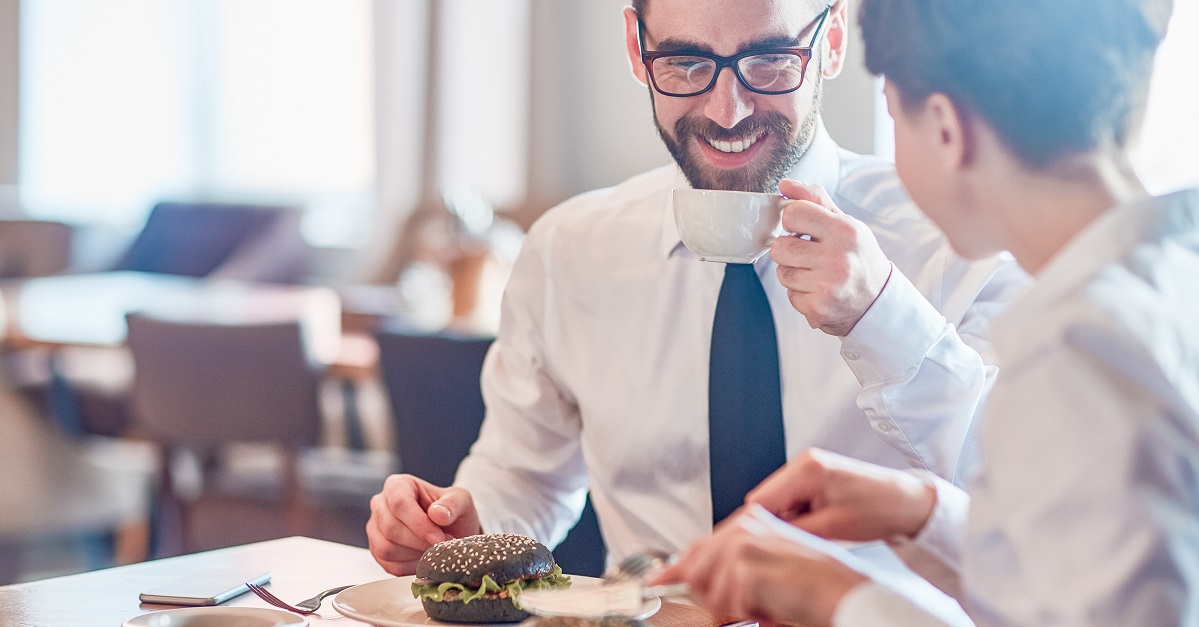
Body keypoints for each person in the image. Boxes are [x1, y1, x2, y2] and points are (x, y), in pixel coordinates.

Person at [366, 0, 1027, 574]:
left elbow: (1020, 493)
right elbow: (524, 475)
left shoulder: (962, 237)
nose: (726, 110)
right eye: (685, 65)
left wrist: (882, 316)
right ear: (637, 49)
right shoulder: (567, 250)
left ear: (829, 40)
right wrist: (458, 521)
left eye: (768, 59)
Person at [656, 0, 1195, 625]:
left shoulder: (1079, 348)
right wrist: (924, 514)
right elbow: (1085, 569)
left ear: (944, 127)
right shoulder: (1170, 278)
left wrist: (831, 596)